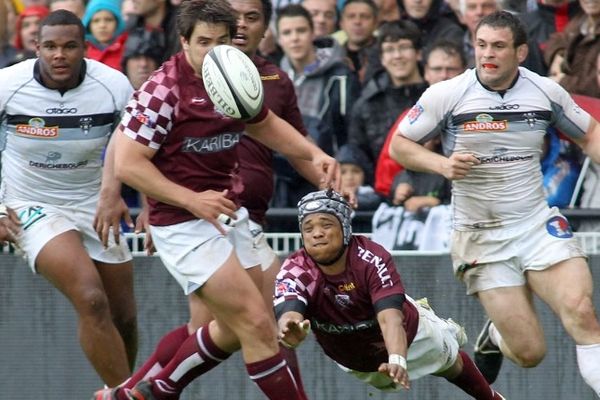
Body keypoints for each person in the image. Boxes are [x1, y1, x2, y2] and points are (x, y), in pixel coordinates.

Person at [99, 1, 339, 399]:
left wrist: (312, 153)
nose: (212, 51)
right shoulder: (164, 89)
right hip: (180, 221)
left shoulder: (233, 72)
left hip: (228, 212)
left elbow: (263, 123)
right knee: (256, 325)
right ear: (183, 41)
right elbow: (127, 164)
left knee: (240, 322)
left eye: (221, 41)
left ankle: (153, 389)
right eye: (203, 42)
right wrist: (192, 200)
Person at [389, 11, 600, 394]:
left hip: (537, 223)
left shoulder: (546, 91)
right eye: (481, 45)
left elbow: (590, 135)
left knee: (582, 312)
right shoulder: (447, 94)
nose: (487, 54)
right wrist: (442, 164)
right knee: (530, 352)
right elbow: (399, 146)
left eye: (498, 46)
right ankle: (496, 336)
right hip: (481, 236)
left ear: (520, 51)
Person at [0, 10, 138, 387]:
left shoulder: (114, 85)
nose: (59, 54)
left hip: (95, 204)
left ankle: (117, 391)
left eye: (69, 46)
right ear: (35, 48)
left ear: (86, 49)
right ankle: (127, 395)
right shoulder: (6, 85)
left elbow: (136, 146)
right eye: (50, 46)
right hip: (28, 205)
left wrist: (121, 194)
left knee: (124, 316)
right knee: (92, 300)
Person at [274, 189, 507, 400]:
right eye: (308, 228)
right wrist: (289, 328)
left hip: (412, 338)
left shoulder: (370, 259)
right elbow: (289, 312)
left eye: (326, 224)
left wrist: (397, 358)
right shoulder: (296, 269)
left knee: (450, 364)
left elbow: (390, 318)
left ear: (344, 227)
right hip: (358, 361)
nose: (317, 234)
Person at [275, 3, 360, 207]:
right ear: (279, 39)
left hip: (326, 174)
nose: (294, 38)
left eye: (301, 30)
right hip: (281, 177)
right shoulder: (273, 77)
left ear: (313, 32)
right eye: (287, 32)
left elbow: (351, 132)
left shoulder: (341, 75)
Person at [347, 20, 428, 167]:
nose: (397, 55)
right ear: (382, 59)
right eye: (390, 49)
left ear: (418, 53)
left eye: (404, 47)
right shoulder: (367, 103)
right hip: (382, 187)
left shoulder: (434, 94)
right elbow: (359, 156)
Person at [82, 0, 128, 71]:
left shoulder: (128, 48)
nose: (102, 25)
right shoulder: (82, 52)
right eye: (96, 21)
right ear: (88, 25)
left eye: (109, 20)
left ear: (118, 22)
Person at [335, 143, 383, 210]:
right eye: (343, 172)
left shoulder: (372, 196)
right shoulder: (327, 196)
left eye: (356, 171)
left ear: (365, 174)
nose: (349, 177)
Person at [458, 0, 501, 67]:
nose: (479, 12)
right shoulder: (452, 44)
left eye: (487, 6)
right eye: (472, 7)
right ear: (462, 17)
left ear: (499, 12)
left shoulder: (512, 44)